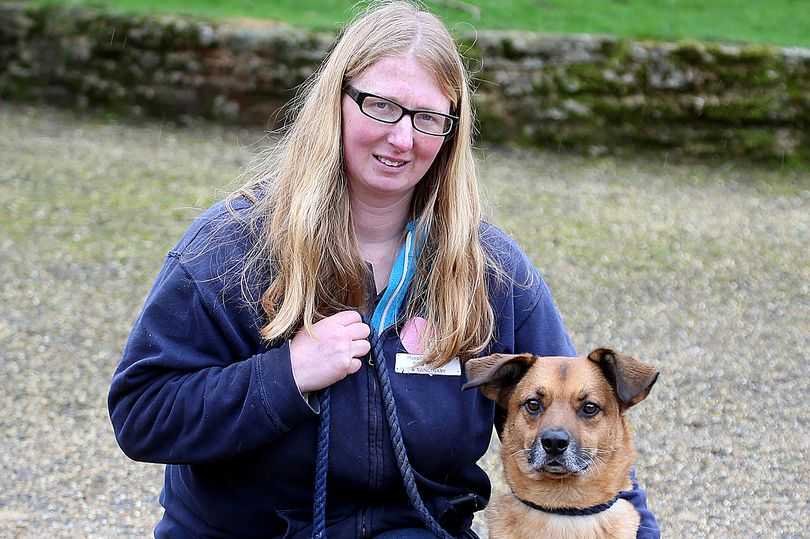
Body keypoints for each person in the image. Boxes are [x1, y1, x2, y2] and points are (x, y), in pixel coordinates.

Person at [108, 1, 660, 537]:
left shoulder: (492, 271)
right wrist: (286, 375)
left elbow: (587, 418)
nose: (403, 137)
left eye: (428, 118)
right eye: (381, 105)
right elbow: (142, 416)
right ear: (336, 102)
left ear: (452, 131)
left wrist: (638, 532)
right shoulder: (230, 250)